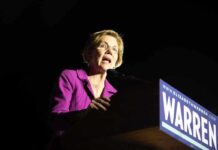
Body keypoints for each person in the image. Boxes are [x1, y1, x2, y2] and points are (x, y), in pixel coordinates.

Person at [46, 29, 124, 150]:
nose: (109, 51)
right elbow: (55, 120)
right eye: (103, 46)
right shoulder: (70, 77)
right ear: (89, 53)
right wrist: (84, 114)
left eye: (114, 49)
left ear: (116, 60)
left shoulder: (114, 94)